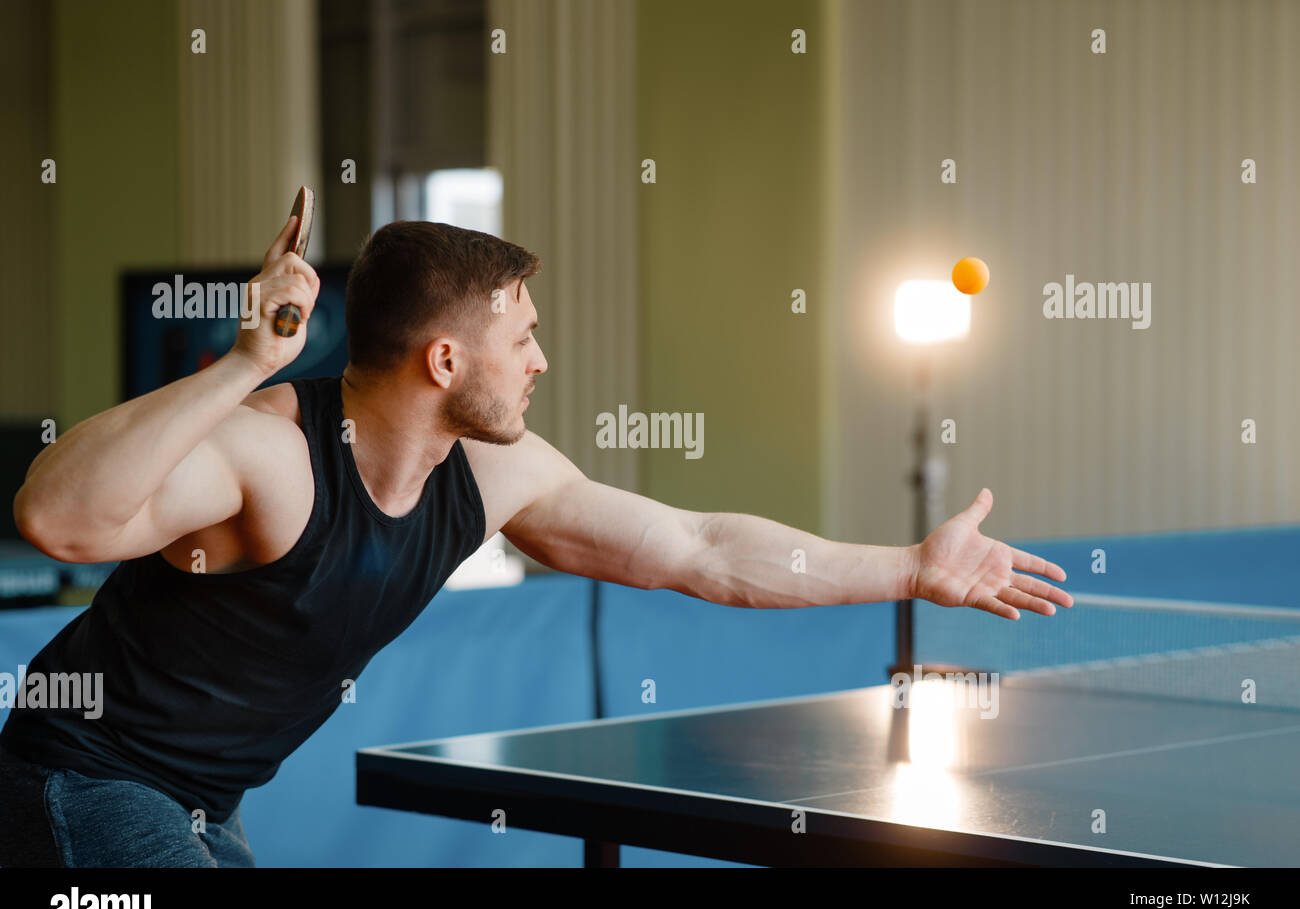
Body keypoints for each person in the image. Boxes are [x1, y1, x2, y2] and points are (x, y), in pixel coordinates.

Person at [0, 218, 1072, 867]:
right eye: (521, 337)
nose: (541, 362)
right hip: (80, 782)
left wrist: (911, 570)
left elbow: (698, 548)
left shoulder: (492, 474)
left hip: (202, 804)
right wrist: (242, 363)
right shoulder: (273, 455)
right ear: (444, 362)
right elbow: (57, 516)